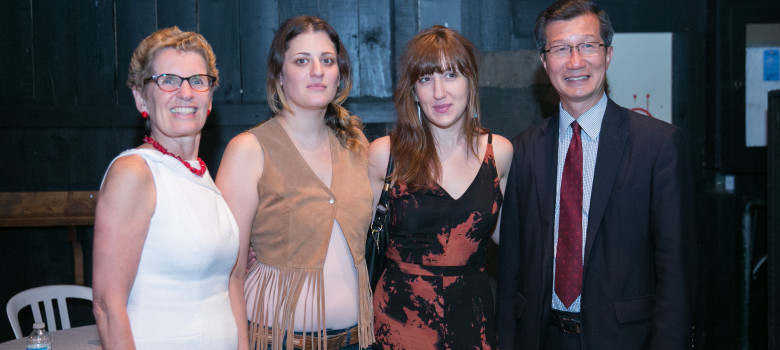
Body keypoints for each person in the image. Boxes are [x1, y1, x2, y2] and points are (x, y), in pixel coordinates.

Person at [496, 0, 696, 349]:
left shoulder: (659, 146)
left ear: (608, 54)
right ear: (544, 62)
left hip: (626, 339)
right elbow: (511, 264)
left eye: (588, 45)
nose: (576, 61)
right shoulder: (524, 149)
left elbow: (676, 271)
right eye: (561, 49)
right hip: (542, 337)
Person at [215, 16, 374, 350]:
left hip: (356, 341)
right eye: (302, 60)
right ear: (279, 75)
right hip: (277, 341)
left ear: (339, 73)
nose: (317, 70)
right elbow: (228, 273)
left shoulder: (356, 144)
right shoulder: (248, 149)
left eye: (327, 61)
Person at [92, 27, 244, 349]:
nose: (185, 93)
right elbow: (107, 307)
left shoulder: (201, 176)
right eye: (168, 80)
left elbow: (229, 284)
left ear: (210, 98)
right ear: (140, 97)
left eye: (197, 81)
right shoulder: (134, 172)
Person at [368, 25, 513, 349]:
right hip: (398, 327)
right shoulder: (386, 155)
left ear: (470, 81)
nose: (439, 92)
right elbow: (350, 242)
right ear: (413, 90)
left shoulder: (499, 153)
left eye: (450, 75)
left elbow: (517, 245)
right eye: (425, 79)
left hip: (473, 325)